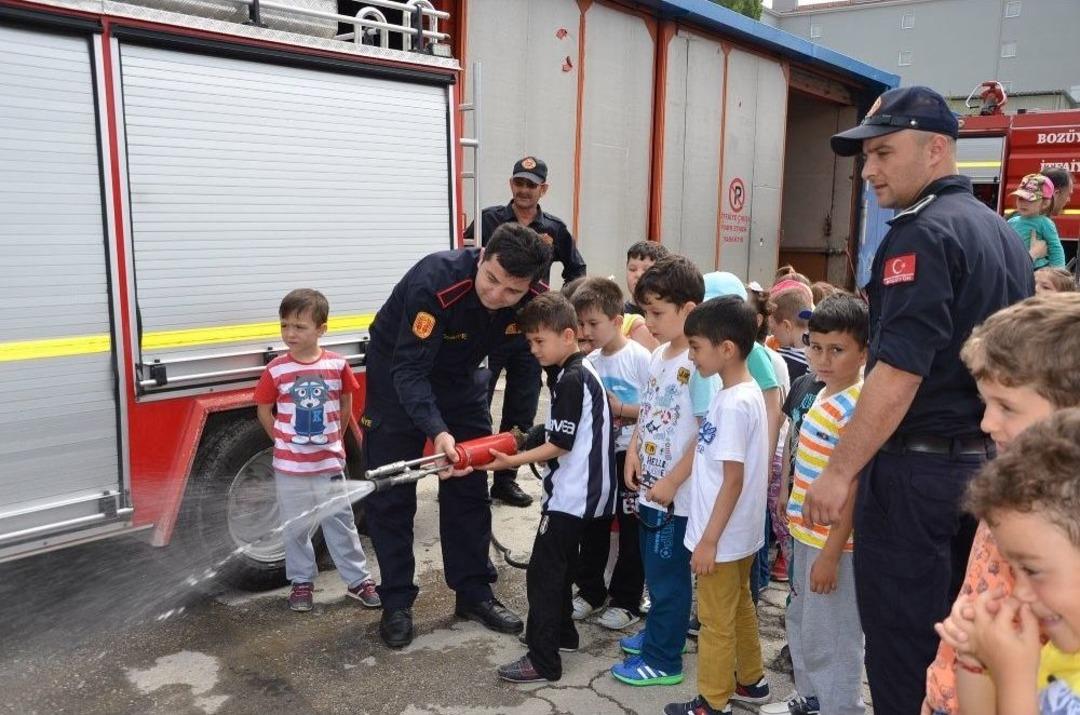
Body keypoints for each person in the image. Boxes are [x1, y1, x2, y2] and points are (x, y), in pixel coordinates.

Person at [803, 85, 1034, 715]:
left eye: (884, 153)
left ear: (936, 149)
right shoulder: (998, 231)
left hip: (917, 477)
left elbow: (899, 371)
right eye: (867, 157)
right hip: (984, 467)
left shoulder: (920, 234)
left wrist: (839, 471)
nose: (869, 171)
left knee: (905, 651)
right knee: (965, 648)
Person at [362, 223, 551, 649]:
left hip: (460, 378)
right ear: (482, 256)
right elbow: (410, 371)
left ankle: (474, 593)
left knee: (469, 487)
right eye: (491, 279)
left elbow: (539, 356)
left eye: (512, 291)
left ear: (530, 286)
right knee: (392, 495)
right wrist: (438, 432)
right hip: (397, 374)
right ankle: (396, 601)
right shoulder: (436, 281)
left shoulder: (535, 297)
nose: (497, 295)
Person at [923, 293, 1080, 715]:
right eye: (985, 403)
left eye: (1006, 407)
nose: (987, 422)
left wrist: (1004, 673)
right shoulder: (1012, 494)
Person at [485, 293, 617, 683]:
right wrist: (528, 438)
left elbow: (561, 443)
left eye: (540, 341)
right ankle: (562, 634)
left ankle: (543, 661)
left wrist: (511, 462)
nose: (533, 349)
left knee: (542, 574)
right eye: (529, 342)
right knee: (559, 569)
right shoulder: (576, 370)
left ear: (568, 335)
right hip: (588, 493)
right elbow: (563, 430)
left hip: (572, 496)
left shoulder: (572, 378)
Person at [610, 255, 719, 687]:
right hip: (652, 488)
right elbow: (650, 408)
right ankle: (660, 632)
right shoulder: (658, 355)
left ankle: (663, 659)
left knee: (669, 579)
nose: (648, 322)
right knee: (655, 573)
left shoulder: (698, 364)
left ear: (688, 310)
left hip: (678, 497)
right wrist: (634, 451)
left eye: (657, 313)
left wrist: (673, 481)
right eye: (645, 312)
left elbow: (708, 431)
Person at [662, 296, 772, 715]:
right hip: (739, 534)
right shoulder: (742, 394)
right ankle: (750, 680)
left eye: (696, 347)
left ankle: (712, 700)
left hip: (721, 539)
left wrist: (708, 542)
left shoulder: (734, 404)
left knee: (714, 621)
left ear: (726, 349)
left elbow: (733, 480)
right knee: (739, 604)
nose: (691, 356)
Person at [765, 294, 869, 715]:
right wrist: (788, 501)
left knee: (835, 636)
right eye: (816, 346)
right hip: (806, 535)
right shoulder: (822, 392)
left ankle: (840, 707)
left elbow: (854, 486)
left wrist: (830, 554)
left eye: (837, 350)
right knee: (804, 622)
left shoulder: (858, 407)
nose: (823, 359)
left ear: (864, 352)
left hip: (836, 546)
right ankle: (810, 699)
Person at [464, 156, 587, 508]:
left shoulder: (555, 229)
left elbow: (577, 270)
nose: (524, 190)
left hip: (530, 336)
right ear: (511, 184)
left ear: (543, 189)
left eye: (531, 185)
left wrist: (558, 306)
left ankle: (506, 481)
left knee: (521, 407)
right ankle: (469, 480)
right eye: (519, 183)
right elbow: (464, 258)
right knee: (476, 406)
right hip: (488, 331)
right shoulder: (488, 220)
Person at [940, 409, 1080, 714]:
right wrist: (975, 660)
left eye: (1032, 570)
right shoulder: (1061, 653)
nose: (1020, 592)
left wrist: (1015, 678)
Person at [253, 289, 380, 612]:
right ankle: (301, 582)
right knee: (295, 527)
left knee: (341, 522)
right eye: (285, 326)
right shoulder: (276, 370)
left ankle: (358, 581)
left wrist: (335, 438)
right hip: (290, 468)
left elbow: (346, 403)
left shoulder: (337, 365)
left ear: (321, 329)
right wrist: (281, 441)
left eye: (300, 326)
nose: (290, 333)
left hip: (328, 465)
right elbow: (264, 410)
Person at [569, 278, 651, 630]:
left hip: (630, 457)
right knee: (594, 526)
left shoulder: (641, 358)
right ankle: (590, 591)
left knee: (632, 531)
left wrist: (621, 409)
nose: (586, 331)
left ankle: (627, 600)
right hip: (598, 457)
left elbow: (657, 410)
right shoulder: (588, 362)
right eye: (581, 323)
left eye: (593, 323)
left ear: (617, 320)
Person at [1007, 173, 1065, 269]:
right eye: (1021, 198)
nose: (1024, 203)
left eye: (1030, 200)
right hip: (1015, 267)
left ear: (1045, 203)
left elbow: (1055, 248)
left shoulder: (1045, 223)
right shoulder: (1011, 221)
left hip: (1038, 269)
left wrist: (1058, 272)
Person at [623, 241, 669, 350]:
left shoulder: (669, 315)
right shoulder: (618, 313)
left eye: (646, 270)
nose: (638, 275)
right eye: (632, 269)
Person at [768, 283, 814, 382]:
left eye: (773, 331)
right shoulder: (815, 359)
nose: (774, 336)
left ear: (787, 326)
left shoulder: (781, 356)